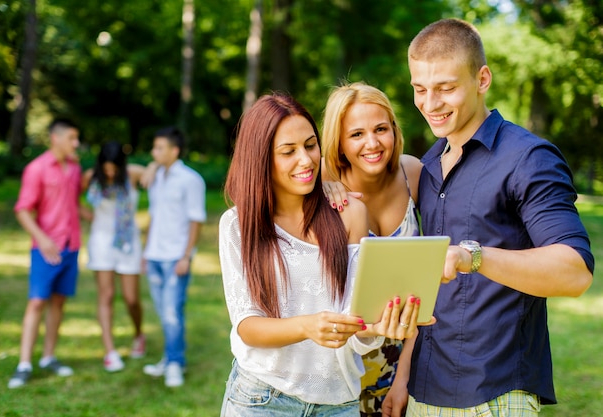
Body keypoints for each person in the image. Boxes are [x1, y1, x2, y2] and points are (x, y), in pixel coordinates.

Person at [400, 18, 594, 416]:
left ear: (482, 79)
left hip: (497, 395)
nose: (430, 104)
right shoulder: (431, 163)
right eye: (420, 89)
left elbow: (575, 272)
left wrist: (472, 257)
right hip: (424, 391)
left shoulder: (527, 157)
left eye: (446, 88)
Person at [218, 93, 420, 417]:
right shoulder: (238, 225)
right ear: (261, 159)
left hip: (340, 403)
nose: (306, 160)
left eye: (310, 146)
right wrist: (307, 326)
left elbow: (356, 319)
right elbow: (247, 326)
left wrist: (380, 326)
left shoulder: (350, 213)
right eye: (288, 151)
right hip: (262, 399)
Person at [320, 81, 423, 417]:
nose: (373, 143)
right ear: (339, 142)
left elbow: (434, 280)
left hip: (404, 352)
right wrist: (323, 178)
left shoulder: (413, 174)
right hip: (341, 364)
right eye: (356, 134)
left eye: (381, 129)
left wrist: (405, 376)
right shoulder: (321, 185)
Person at [8, 118, 83, 389]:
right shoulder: (36, 169)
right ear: (56, 138)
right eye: (72, 138)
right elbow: (23, 209)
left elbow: (73, 203)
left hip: (71, 246)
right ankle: (24, 364)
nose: (76, 144)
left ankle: (49, 357)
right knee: (37, 302)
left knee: (59, 302)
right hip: (45, 250)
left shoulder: (74, 168)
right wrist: (43, 240)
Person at [142, 127, 206, 387]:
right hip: (154, 255)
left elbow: (196, 220)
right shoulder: (157, 175)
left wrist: (186, 256)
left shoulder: (190, 179)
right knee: (162, 312)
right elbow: (154, 215)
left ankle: (175, 363)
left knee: (171, 312)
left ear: (174, 150)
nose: (154, 152)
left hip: (176, 257)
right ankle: (169, 358)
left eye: (158, 148)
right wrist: (146, 251)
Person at [81, 141, 147, 372]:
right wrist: (93, 219)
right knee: (106, 295)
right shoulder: (91, 177)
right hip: (101, 242)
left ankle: (139, 334)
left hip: (129, 241)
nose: (110, 172)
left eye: (114, 168)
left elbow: (156, 170)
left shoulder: (133, 174)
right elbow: (71, 199)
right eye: (106, 168)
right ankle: (110, 351)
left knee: (131, 298)